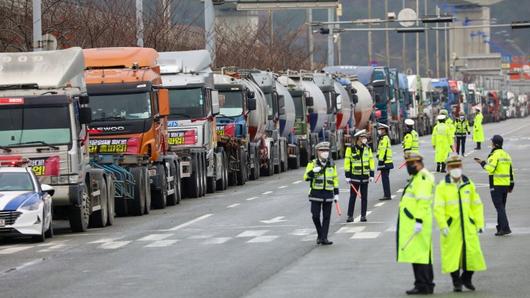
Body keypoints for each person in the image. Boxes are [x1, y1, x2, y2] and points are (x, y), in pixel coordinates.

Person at [434, 155, 486, 292]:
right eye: (452, 167)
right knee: (452, 255)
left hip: (468, 226)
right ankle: (456, 281)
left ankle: (467, 278)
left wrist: (479, 223)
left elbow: (477, 205)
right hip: (451, 227)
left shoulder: (468, 183)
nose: (456, 169)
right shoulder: (442, 187)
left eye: (458, 166)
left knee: (472, 254)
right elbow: (438, 208)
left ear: (461, 167)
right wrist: (443, 225)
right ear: (447, 168)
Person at [397, 152, 436, 295]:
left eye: (410, 164)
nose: (409, 167)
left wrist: (418, 221)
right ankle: (422, 283)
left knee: (421, 255)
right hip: (415, 221)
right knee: (418, 254)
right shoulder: (417, 177)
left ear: (418, 163)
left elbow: (423, 201)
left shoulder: (422, 178)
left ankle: (424, 285)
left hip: (419, 222)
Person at [474, 135, 514, 236]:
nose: (490, 143)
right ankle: (500, 228)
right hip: (505, 184)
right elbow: (511, 171)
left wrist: (482, 163)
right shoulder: (506, 154)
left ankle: (505, 228)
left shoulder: (495, 155)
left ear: (495, 144)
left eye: (492, 142)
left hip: (496, 184)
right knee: (501, 207)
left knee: (499, 207)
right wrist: (511, 185)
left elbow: (490, 169)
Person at [303, 141, 339, 245]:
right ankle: (320, 234)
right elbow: (306, 177)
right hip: (316, 194)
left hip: (328, 193)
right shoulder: (312, 163)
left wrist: (336, 193)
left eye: (326, 150)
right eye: (322, 150)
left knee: (327, 217)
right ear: (318, 152)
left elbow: (335, 179)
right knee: (315, 216)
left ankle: (324, 237)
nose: (325, 152)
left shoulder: (332, 164)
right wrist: (313, 171)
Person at [344, 129, 374, 222]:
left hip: (365, 176)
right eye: (363, 137)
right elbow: (347, 162)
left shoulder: (367, 148)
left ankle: (363, 215)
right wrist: (347, 176)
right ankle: (350, 215)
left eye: (365, 137)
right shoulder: (350, 149)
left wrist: (372, 174)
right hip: (354, 176)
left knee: (364, 197)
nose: (365, 139)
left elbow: (371, 161)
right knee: (353, 196)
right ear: (358, 138)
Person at [377, 123, 394, 200]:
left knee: (385, 180)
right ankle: (387, 194)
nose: (379, 131)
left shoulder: (384, 139)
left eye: (381, 129)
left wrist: (380, 161)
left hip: (385, 162)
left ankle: (387, 195)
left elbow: (383, 151)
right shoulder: (384, 138)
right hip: (386, 161)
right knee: (385, 179)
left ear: (384, 130)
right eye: (379, 129)